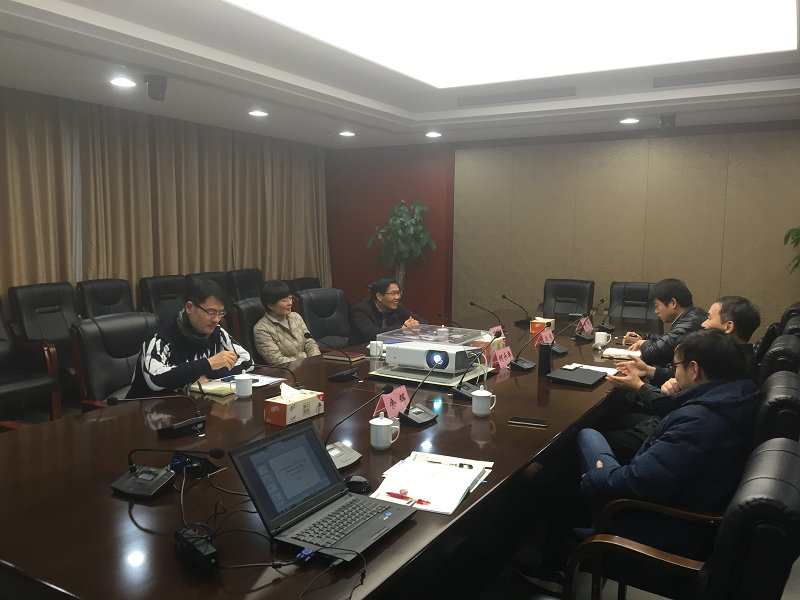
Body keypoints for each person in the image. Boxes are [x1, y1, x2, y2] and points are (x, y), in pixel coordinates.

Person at [579, 329, 760, 559]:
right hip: (688, 499)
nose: (674, 373)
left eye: (676, 366)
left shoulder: (697, 424)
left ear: (694, 369)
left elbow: (637, 482)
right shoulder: (737, 395)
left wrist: (592, 478)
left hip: (658, 527)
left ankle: (573, 539)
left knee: (586, 435)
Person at [603, 296, 760, 462]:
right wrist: (650, 371)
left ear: (728, 327)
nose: (703, 324)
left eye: (709, 318)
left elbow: (684, 407)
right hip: (674, 421)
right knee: (619, 414)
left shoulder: (732, 368)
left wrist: (640, 386)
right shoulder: (735, 359)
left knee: (599, 430)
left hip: (675, 431)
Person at [127, 278, 252, 398]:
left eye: (220, 313)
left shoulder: (216, 332)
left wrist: (208, 373)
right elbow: (155, 379)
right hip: (143, 407)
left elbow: (247, 361)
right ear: (189, 307)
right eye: (211, 313)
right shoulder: (159, 336)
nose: (217, 320)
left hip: (190, 403)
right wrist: (208, 364)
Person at [623, 278, 706, 367]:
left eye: (657, 306)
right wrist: (642, 337)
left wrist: (643, 344)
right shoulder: (693, 314)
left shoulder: (689, 324)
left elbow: (653, 355)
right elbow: (667, 339)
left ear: (673, 303)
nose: (656, 311)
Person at [253, 280, 320, 366]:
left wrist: (315, 361)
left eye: (290, 298)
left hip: (311, 366)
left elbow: (309, 342)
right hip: (288, 371)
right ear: (271, 305)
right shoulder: (261, 329)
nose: (290, 303)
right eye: (284, 300)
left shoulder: (296, 317)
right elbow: (276, 360)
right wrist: (306, 364)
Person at [350, 277, 426, 343]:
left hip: (390, 348)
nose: (397, 297)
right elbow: (370, 334)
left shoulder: (398, 307)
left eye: (398, 293)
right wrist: (401, 329)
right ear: (379, 296)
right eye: (393, 293)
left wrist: (414, 325)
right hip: (362, 350)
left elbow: (422, 321)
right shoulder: (361, 310)